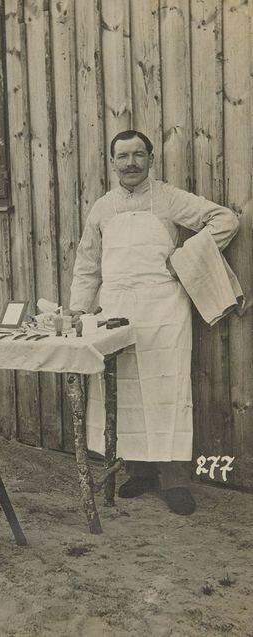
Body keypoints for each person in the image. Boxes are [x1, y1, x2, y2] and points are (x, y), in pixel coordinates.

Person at [69, 130, 239, 515]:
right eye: (123, 157)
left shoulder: (167, 197)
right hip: (115, 310)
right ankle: (140, 472)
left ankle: (175, 480)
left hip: (163, 309)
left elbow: (224, 220)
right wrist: (79, 309)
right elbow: (87, 264)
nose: (131, 163)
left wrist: (184, 258)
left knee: (167, 391)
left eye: (138, 155)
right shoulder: (102, 208)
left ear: (150, 159)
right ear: (112, 162)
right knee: (125, 391)